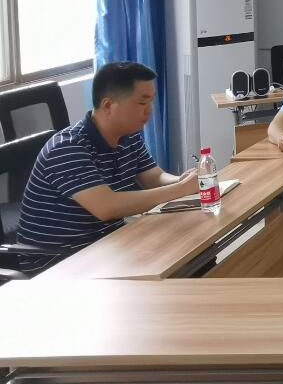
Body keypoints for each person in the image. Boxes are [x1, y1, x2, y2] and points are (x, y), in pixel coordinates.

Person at [16, 61, 199, 274]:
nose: (149, 110)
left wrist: (183, 180)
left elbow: (154, 177)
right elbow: (107, 207)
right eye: (142, 102)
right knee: (176, 260)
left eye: (151, 101)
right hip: (58, 262)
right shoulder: (68, 148)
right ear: (108, 105)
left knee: (190, 247)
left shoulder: (129, 136)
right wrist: (180, 189)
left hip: (106, 246)